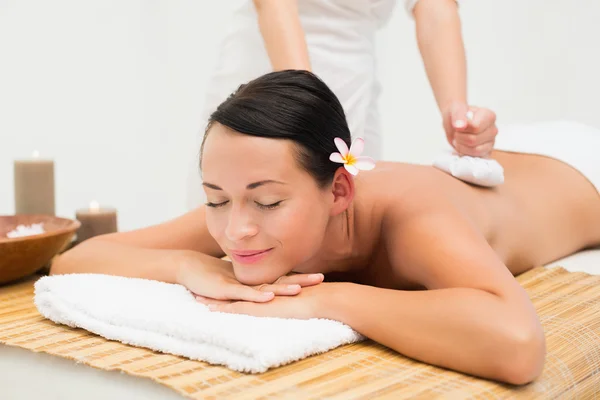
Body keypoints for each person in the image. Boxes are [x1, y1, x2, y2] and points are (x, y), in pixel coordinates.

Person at [51, 70, 600, 385]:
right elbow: (75, 260)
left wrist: (333, 300)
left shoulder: (412, 215)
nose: (236, 231)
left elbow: (519, 344)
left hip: (582, 166)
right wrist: (184, 263)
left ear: (339, 190)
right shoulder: (245, 209)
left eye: (266, 202)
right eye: (215, 199)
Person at [188, 0, 500, 208]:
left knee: (346, 221)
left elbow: (434, 8)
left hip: (354, 80)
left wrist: (456, 110)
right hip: (269, 63)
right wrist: (306, 103)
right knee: (239, 209)